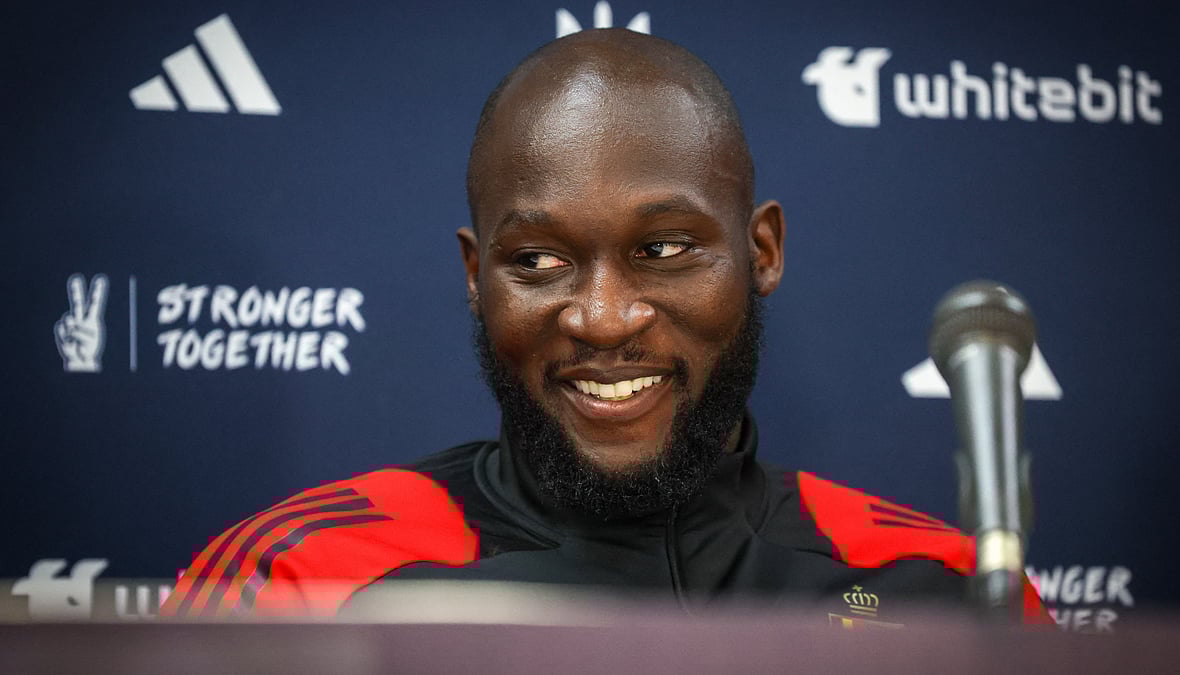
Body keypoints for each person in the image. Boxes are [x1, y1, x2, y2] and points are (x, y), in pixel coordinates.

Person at [162, 28, 1049, 625]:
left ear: (763, 250)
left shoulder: (931, 583)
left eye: (664, 247)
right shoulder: (296, 576)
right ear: (477, 278)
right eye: (540, 262)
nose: (603, 317)